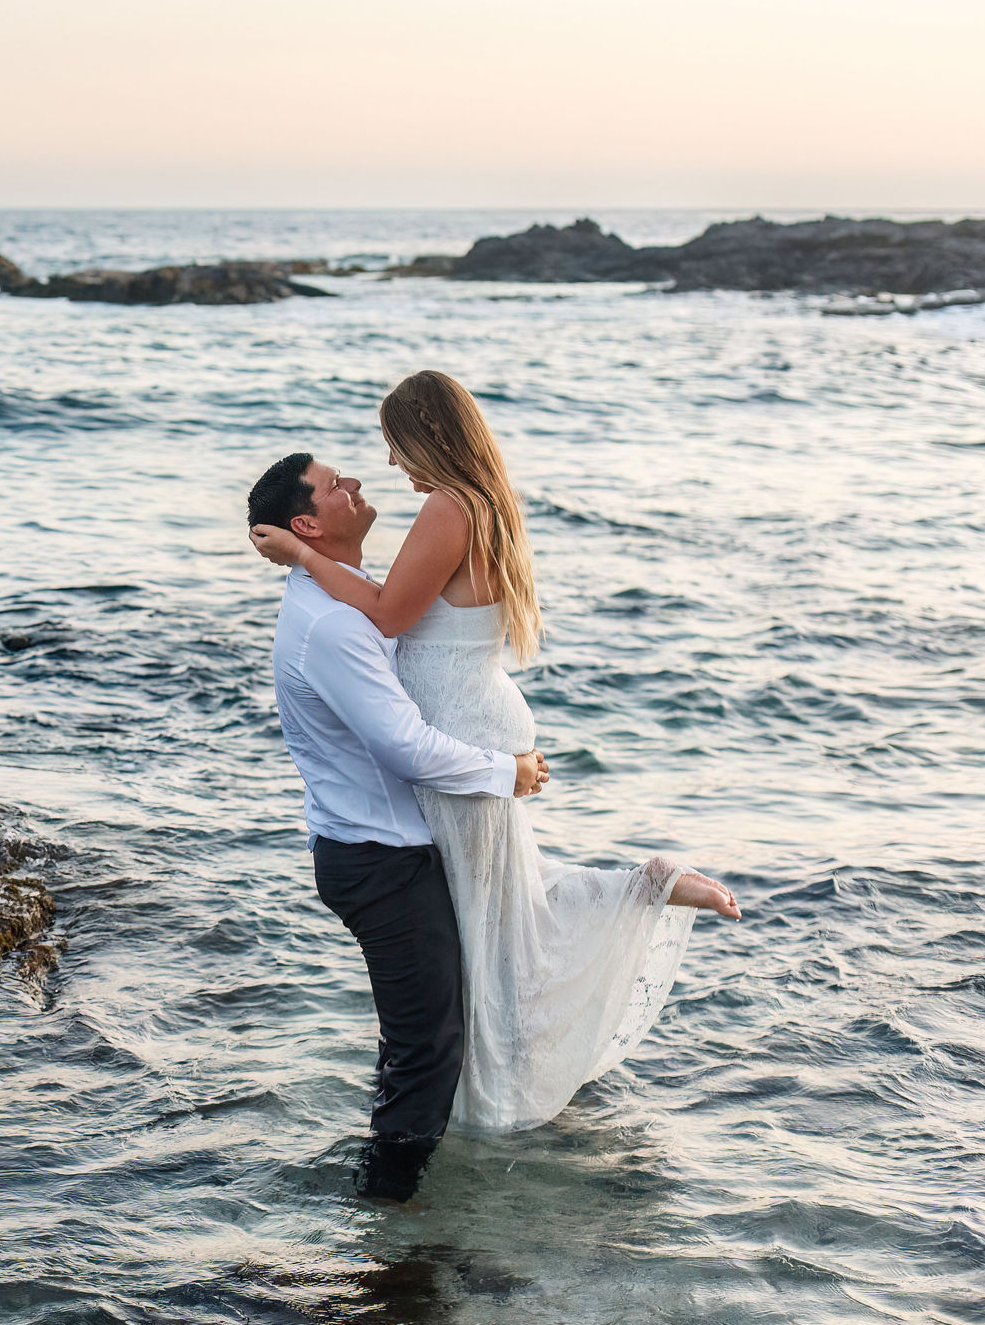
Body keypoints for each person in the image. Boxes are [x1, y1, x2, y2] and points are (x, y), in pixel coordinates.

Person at [251, 370, 739, 1151]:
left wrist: (301, 559)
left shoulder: (448, 508)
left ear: (428, 435)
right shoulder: (469, 504)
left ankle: (637, 895)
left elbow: (382, 611)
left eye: (395, 445)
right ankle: (626, 910)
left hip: (463, 724)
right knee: (499, 907)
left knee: (500, 921)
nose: (390, 463)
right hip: (471, 717)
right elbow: (385, 604)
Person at [249, 449, 550, 1202]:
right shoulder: (333, 628)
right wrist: (502, 772)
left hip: (381, 850)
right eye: (335, 485)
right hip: (380, 861)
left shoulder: (337, 602)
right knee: (429, 1049)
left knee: (419, 1040)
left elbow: (402, 638)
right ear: (308, 521)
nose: (355, 483)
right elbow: (404, 745)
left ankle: (389, 1204)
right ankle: (387, 1223)